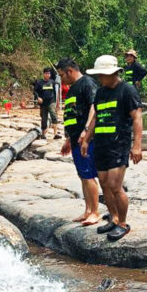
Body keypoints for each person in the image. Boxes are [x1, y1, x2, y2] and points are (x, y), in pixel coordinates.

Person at [80, 55, 144, 242]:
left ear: (113, 73)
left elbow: (137, 118)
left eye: (102, 74)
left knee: (115, 186)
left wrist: (137, 146)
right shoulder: (100, 92)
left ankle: (123, 224)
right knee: (104, 184)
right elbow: (96, 117)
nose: (99, 78)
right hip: (101, 144)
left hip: (119, 144)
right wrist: (86, 139)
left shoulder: (127, 90)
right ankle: (114, 218)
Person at [56, 57, 100, 226]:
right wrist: (68, 139)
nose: (61, 79)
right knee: (82, 175)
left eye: (62, 75)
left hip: (86, 139)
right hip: (75, 138)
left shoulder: (87, 83)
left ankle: (95, 212)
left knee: (88, 174)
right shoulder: (72, 89)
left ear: (70, 71)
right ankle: (88, 210)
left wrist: (86, 131)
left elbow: (94, 107)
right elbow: (72, 115)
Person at [33, 68, 61, 139]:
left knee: (54, 116)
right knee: (44, 119)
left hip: (51, 102)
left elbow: (57, 91)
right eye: (46, 73)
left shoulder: (52, 82)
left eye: (49, 74)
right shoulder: (39, 82)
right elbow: (35, 91)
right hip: (43, 103)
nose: (48, 75)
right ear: (43, 74)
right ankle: (43, 134)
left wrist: (57, 104)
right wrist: (38, 98)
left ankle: (55, 134)